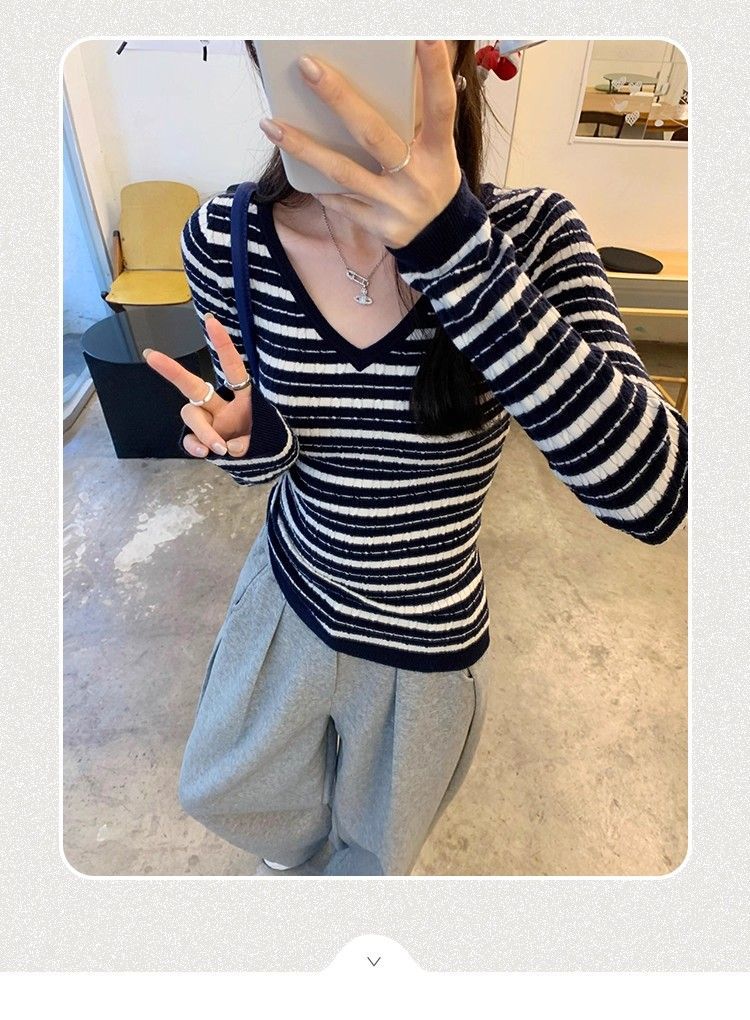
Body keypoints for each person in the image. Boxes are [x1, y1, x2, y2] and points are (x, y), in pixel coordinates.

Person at [144, 39, 688, 876]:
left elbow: (655, 491)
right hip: (289, 594)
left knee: (376, 852)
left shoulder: (532, 236)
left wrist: (451, 248)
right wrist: (249, 444)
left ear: (458, 49)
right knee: (233, 793)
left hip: (424, 634)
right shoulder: (226, 238)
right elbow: (259, 434)